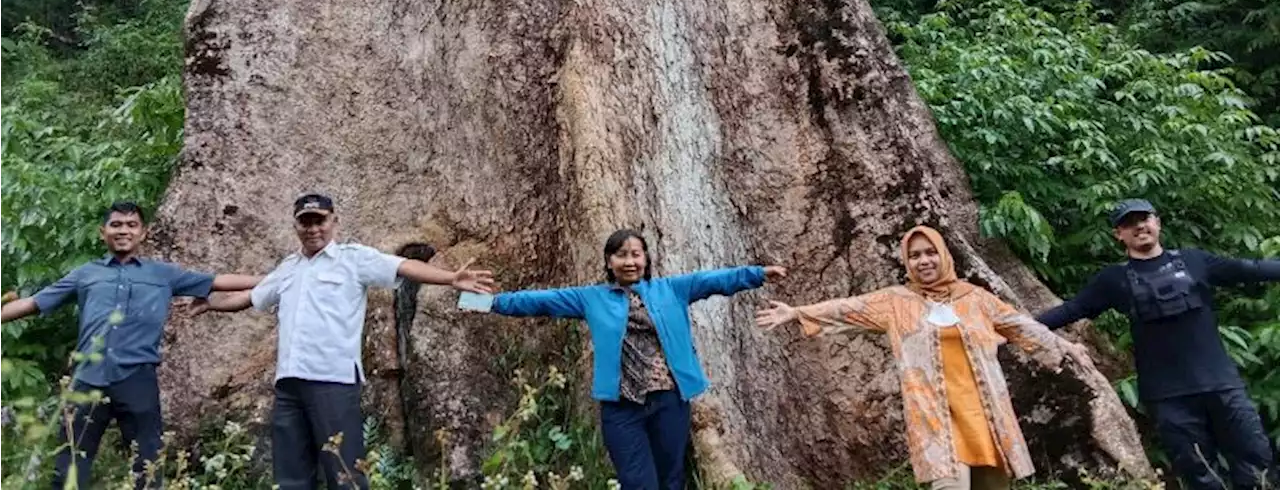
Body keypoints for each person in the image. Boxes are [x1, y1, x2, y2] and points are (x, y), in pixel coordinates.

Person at [196, 193, 496, 490]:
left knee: (344, 472)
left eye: (320, 221)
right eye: (306, 222)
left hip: (332, 380)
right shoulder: (289, 268)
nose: (313, 228)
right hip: (289, 383)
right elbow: (251, 296)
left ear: (334, 221)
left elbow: (402, 266)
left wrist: (449, 278)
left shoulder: (353, 259)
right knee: (291, 475)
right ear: (296, 227)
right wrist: (211, 304)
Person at [756, 225, 1091, 490]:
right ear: (907, 262)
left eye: (931, 253)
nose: (924, 261)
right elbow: (847, 309)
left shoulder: (976, 299)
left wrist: (1066, 348)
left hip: (986, 415)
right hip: (934, 419)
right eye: (915, 256)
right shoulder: (896, 301)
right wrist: (796, 312)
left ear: (944, 256)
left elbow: (1022, 327)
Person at [480, 227, 787, 490]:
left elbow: (714, 280)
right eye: (622, 255)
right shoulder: (591, 297)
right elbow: (534, 302)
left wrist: (757, 274)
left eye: (636, 254)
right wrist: (478, 301)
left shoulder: (672, 290)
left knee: (671, 480)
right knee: (638, 483)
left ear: (646, 258)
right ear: (609, 262)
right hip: (621, 408)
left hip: (669, 401)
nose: (630, 261)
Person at [0, 200, 261, 490]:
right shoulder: (86, 274)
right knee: (67, 470)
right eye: (116, 224)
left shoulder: (163, 274)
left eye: (131, 225)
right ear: (103, 232)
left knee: (148, 468)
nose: (123, 230)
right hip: (87, 379)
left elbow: (218, 281)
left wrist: (276, 279)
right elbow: (34, 302)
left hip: (137, 379)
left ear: (143, 233)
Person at [1037, 198, 1280, 490]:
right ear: (1119, 234)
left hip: (1223, 386)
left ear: (1157, 222)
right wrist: (1009, 324)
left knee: (1256, 463)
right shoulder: (1113, 280)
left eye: (1145, 218)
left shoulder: (1195, 261)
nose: (1140, 225)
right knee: (1198, 474)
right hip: (1169, 398)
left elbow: (1250, 269)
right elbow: (1072, 309)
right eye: (1129, 222)